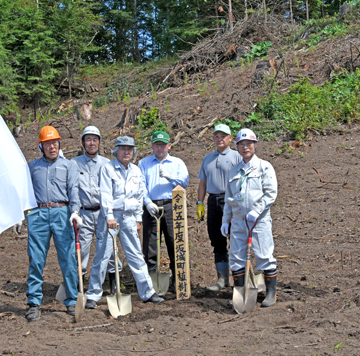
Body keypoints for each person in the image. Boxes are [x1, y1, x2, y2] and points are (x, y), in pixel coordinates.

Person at [85, 136, 163, 308]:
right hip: (110, 218)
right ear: (116, 150)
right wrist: (109, 216)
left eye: (130, 149)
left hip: (128, 217)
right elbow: (105, 194)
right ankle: (93, 295)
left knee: (135, 255)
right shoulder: (108, 168)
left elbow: (139, 194)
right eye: (123, 148)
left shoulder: (136, 170)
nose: (126, 152)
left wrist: (138, 217)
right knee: (102, 256)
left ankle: (148, 292)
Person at [24, 126, 83, 321]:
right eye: (48, 143)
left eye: (55, 143)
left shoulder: (69, 166)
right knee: (36, 258)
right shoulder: (32, 167)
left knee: (68, 258)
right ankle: (33, 302)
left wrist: (75, 211)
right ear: (41, 146)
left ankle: (72, 300)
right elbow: (24, 192)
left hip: (62, 213)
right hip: (39, 213)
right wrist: (21, 213)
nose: (52, 147)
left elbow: (74, 189)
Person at [221, 128, 278, 307]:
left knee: (264, 255)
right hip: (238, 221)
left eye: (249, 144)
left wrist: (257, 211)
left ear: (255, 145)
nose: (245, 147)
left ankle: (270, 294)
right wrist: (225, 220)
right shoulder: (233, 172)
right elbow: (228, 199)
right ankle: (240, 295)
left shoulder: (264, 167)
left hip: (258, 221)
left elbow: (270, 193)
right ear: (237, 147)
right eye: (242, 144)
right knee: (236, 257)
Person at [138, 131, 189, 289]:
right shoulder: (144, 163)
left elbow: (185, 182)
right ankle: (152, 282)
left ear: (169, 146)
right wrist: (147, 203)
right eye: (156, 144)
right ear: (152, 145)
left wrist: (170, 177)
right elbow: (140, 186)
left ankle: (177, 281)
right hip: (151, 206)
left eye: (163, 144)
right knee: (150, 244)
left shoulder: (177, 163)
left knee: (174, 242)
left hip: (172, 204)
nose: (159, 148)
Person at [71, 126, 119, 292]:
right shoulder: (74, 164)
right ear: (83, 142)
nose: (92, 143)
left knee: (108, 247)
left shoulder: (107, 164)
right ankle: (80, 284)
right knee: (82, 249)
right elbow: (71, 189)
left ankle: (114, 281)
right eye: (88, 139)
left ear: (99, 142)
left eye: (95, 139)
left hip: (103, 213)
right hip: (83, 213)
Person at [196, 124, 242, 291]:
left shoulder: (237, 157)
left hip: (230, 200)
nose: (220, 138)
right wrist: (200, 202)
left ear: (230, 138)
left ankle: (240, 278)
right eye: (217, 136)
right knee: (217, 239)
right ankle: (222, 279)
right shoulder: (207, 158)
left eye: (224, 135)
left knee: (235, 239)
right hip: (213, 201)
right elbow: (202, 182)